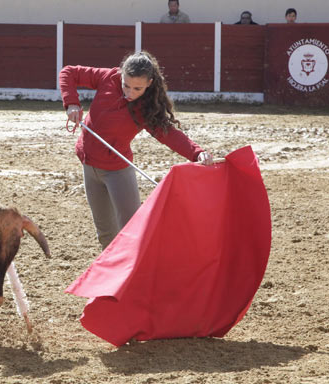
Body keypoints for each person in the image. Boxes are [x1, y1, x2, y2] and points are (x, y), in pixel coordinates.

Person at [59, 51, 213, 249]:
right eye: (125, 85)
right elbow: (68, 72)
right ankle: (116, 273)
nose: (129, 93)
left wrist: (196, 152)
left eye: (137, 88)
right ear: (121, 75)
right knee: (105, 234)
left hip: (117, 171)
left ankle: (140, 271)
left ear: (149, 83)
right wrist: (71, 102)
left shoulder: (147, 107)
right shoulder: (108, 77)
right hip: (89, 166)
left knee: (132, 228)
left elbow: (168, 134)